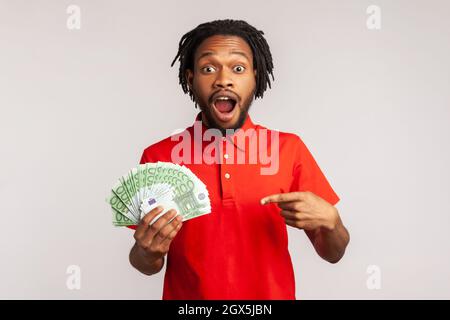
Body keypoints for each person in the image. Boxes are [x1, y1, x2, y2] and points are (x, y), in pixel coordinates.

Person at [127, 19, 350, 299]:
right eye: (208, 68)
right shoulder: (158, 157)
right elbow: (145, 265)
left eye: (238, 68)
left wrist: (332, 221)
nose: (223, 79)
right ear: (190, 79)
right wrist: (147, 252)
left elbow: (333, 253)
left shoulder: (289, 149)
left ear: (255, 77)